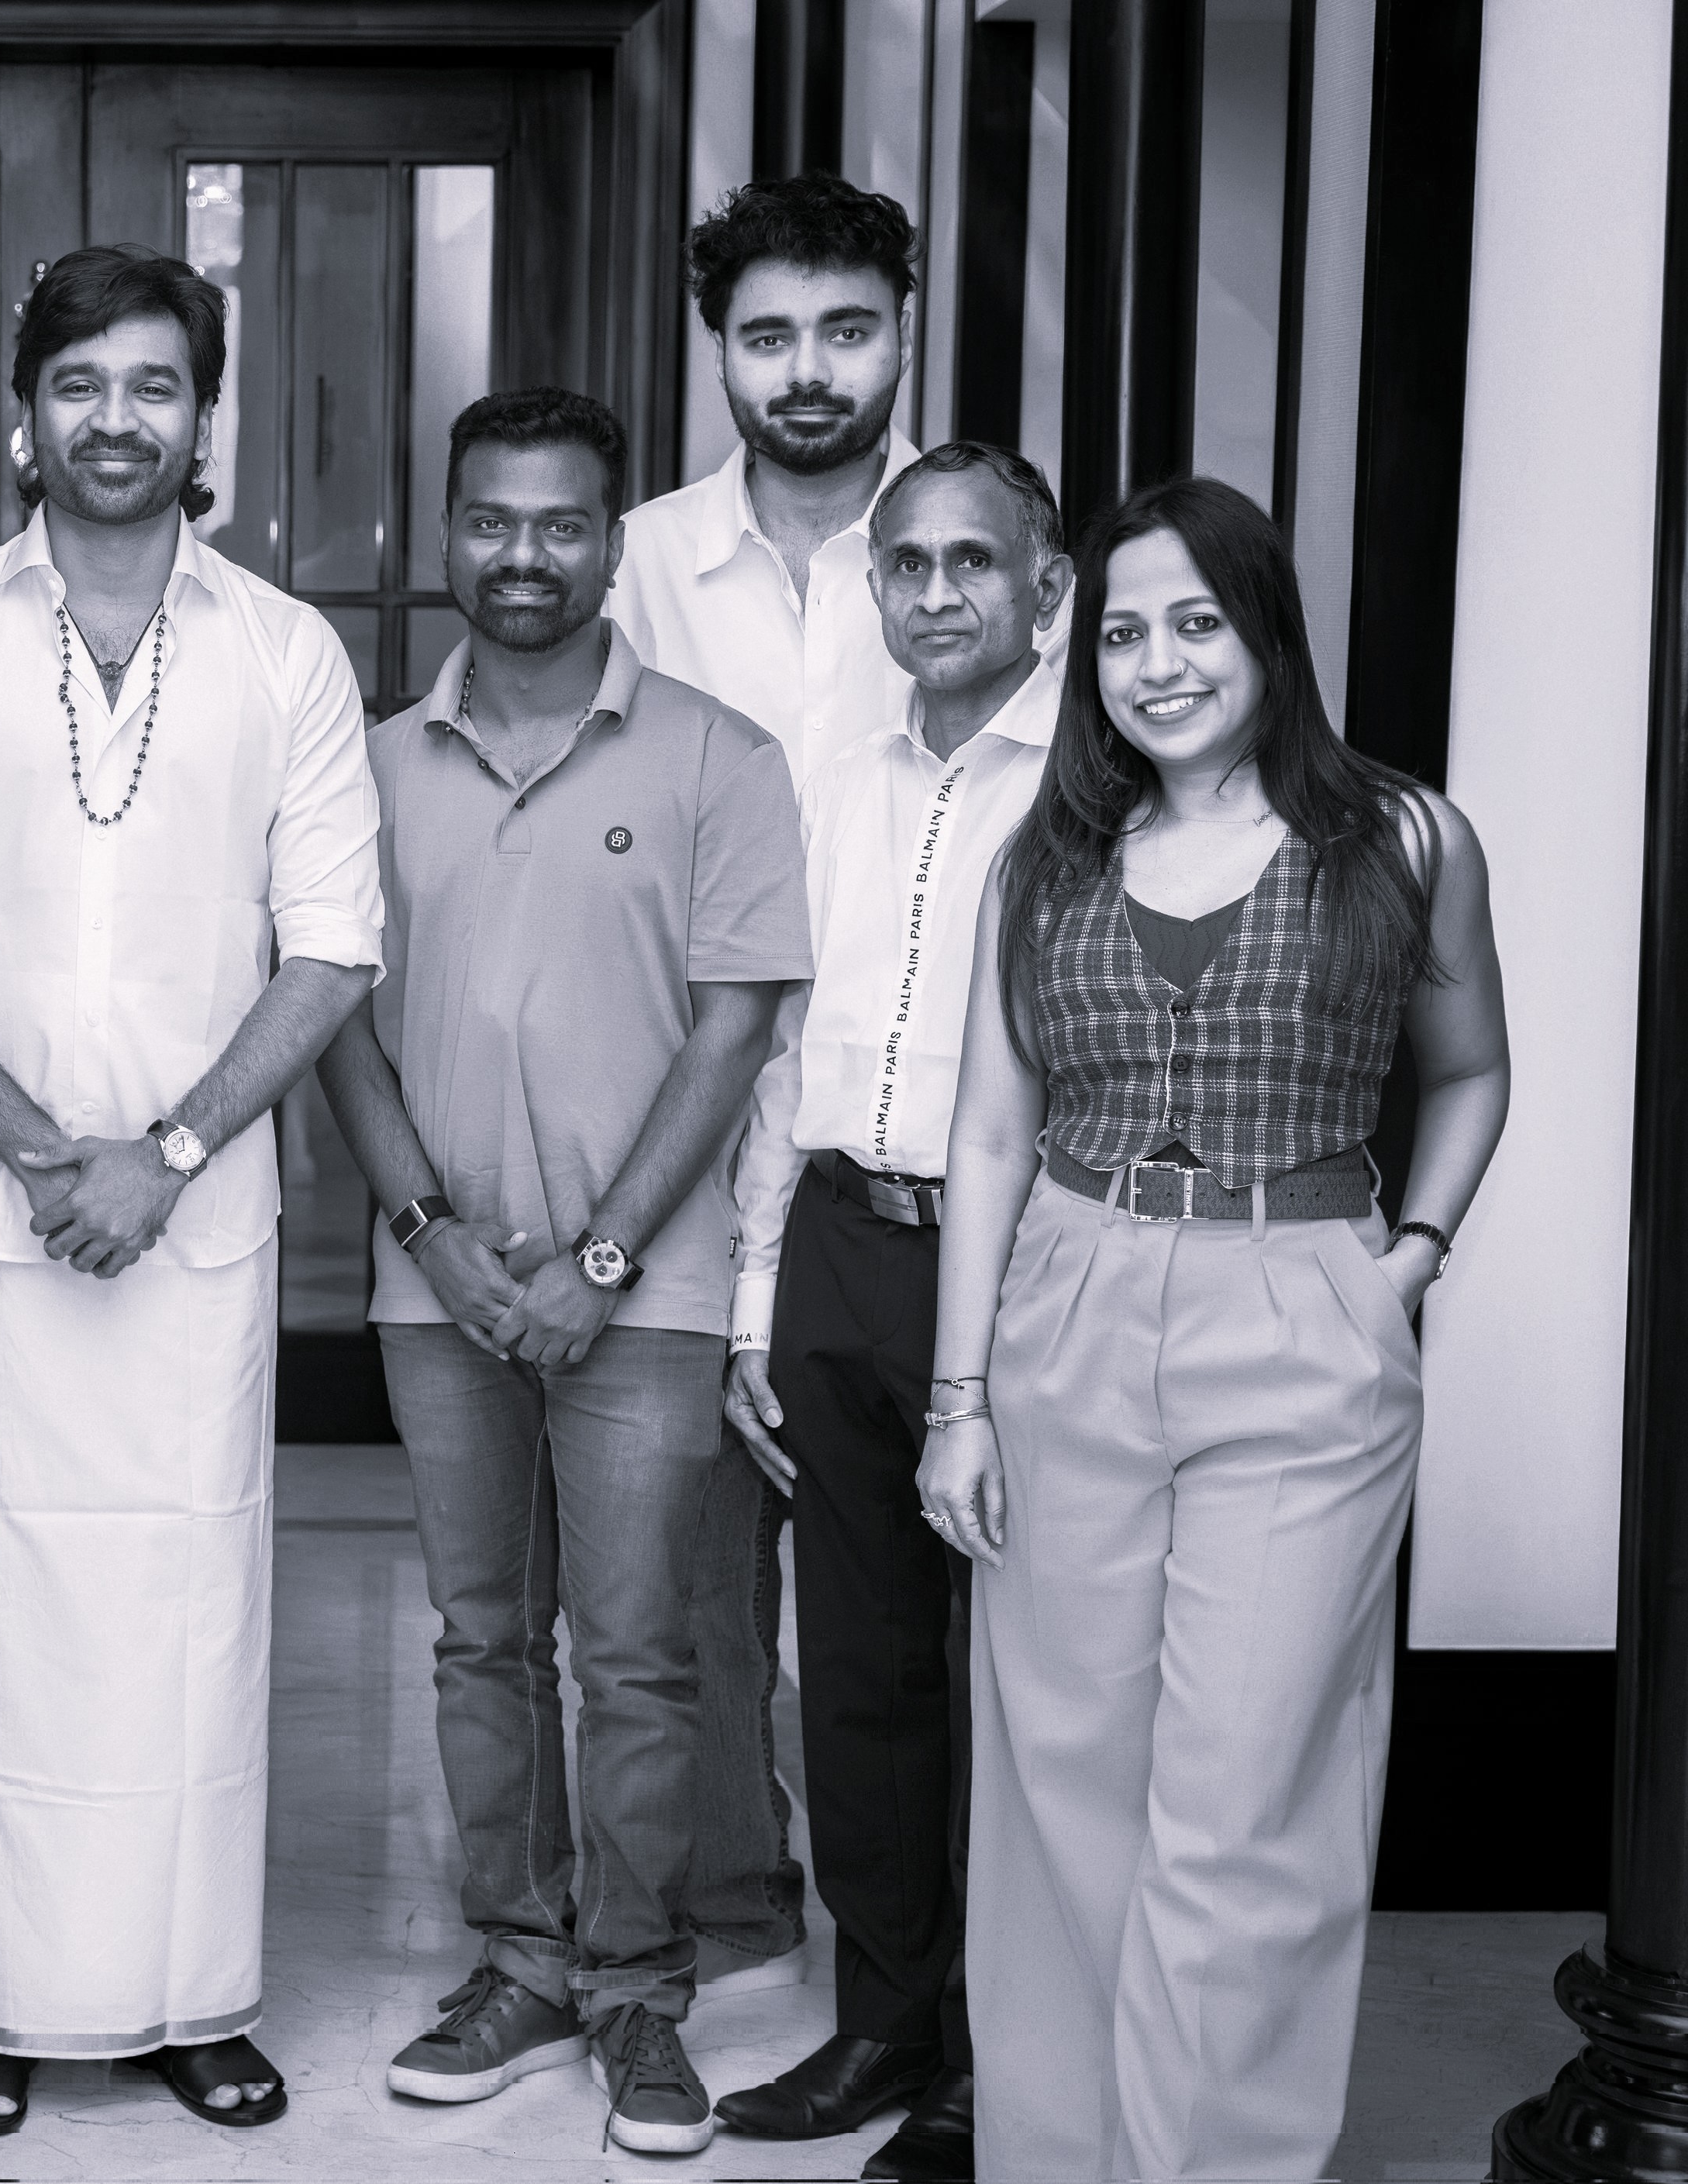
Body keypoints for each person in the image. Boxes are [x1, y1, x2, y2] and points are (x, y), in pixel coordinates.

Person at [0, 243, 384, 2141]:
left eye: (152, 385)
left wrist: (167, 1155)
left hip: (193, 1232)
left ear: (203, 417)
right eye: (79, 384)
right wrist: (50, 1152)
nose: (115, 419)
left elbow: (332, 944)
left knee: (183, 1618)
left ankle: (179, 1995)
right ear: (24, 412)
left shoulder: (286, 651)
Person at [921, 475, 1509, 2178]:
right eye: (1121, 632)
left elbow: (1471, 1070)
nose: (1157, 664)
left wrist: (1405, 1259)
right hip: (1069, 1297)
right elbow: (987, 1134)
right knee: (1064, 1782)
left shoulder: (1404, 838)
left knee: (1246, 1798)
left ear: (1266, 631)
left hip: (1302, 1297)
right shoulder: (1041, 858)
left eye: (1195, 622)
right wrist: (958, 1400)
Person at [319, 388, 810, 2154]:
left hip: (646, 1297)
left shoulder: (720, 757)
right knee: (478, 1641)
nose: (521, 554)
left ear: (612, 543)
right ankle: (519, 1962)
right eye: (490, 519)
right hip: (436, 1292)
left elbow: (736, 1027)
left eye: (559, 524)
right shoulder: (371, 765)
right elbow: (335, 1021)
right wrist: (432, 1238)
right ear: (444, 530)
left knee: (640, 1653)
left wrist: (599, 1257)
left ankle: (637, 1988)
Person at [710, 443, 1072, 2179]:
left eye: (971, 562)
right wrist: (755, 1299)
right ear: (875, 591)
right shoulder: (834, 781)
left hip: (1023, 1262)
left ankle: (1002, 2056)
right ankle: (884, 2020)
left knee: (1015, 1683)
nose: (935, 593)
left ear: (1044, 587)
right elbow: (788, 1050)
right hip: (840, 1251)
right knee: (853, 1669)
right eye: (907, 564)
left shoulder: (1094, 790)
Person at [608, 170, 931, 1996]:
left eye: (844, 330)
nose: (806, 370)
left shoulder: (975, 543)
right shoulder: (637, 561)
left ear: (900, 333)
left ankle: (928, 1947)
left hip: (912, 1121)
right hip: (691, 1104)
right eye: (766, 335)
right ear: (716, 351)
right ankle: (732, 1892)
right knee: (687, 1555)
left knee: (907, 1564)